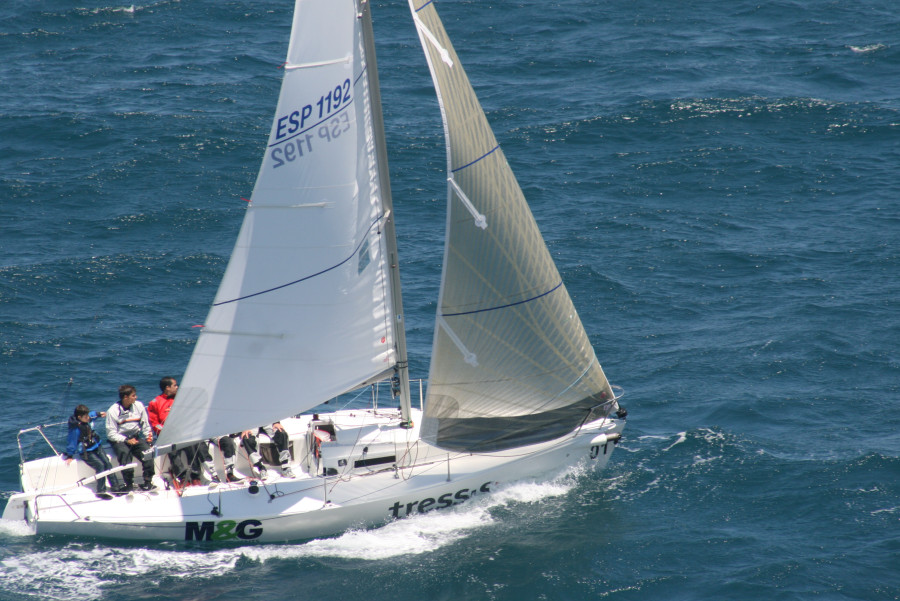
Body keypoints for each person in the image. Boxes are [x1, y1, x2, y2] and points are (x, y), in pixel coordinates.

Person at [149, 376, 218, 486]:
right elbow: (154, 423)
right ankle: (182, 477)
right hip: (168, 435)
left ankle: (195, 476)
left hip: (185, 432)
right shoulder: (155, 402)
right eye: (175, 385)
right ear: (167, 387)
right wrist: (166, 432)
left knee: (192, 445)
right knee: (173, 451)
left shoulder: (182, 399)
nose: (177, 387)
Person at [62, 404, 124, 499]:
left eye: (88, 415)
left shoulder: (88, 417)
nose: (88, 418)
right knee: (100, 466)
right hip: (86, 451)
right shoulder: (75, 429)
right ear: (79, 417)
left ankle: (116, 487)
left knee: (107, 463)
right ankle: (101, 491)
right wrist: (70, 455)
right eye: (85, 416)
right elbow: (72, 442)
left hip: (96, 446)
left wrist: (99, 414)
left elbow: (92, 414)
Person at [106, 384, 156, 491]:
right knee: (125, 455)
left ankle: (148, 482)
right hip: (120, 439)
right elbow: (111, 434)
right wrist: (126, 440)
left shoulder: (139, 406)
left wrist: (149, 440)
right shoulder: (113, 411)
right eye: (133, 395)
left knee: (148, 453)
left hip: (135, 437)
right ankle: (129, 484)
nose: (136, 397)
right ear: (125, 397)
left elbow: (145, 425)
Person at [218, 422, 294, 481]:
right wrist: (244, 427)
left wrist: (276, 422)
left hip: (267, 419)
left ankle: (286, 467)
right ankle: (261, 468)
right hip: (250, 422)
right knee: (247, 438)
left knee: (281, 433)